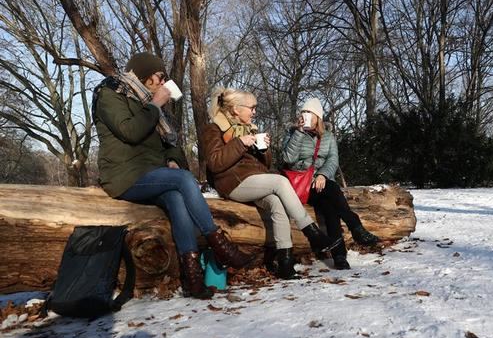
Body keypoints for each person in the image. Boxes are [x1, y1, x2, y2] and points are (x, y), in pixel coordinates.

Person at [92, 52, 253, 300]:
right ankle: (221, 247)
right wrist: (155, 104)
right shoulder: (111, 94)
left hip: (153, 173)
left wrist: (173, 159)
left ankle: (193, 279)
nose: (163, 82)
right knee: (185, 180)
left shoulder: (148, 102)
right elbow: (131, 131)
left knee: (177, 196)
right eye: (160, 76)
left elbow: (172, 142)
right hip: (124, 175)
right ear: (145, 75)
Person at [203, 88, 340, 279]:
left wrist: (264, 149)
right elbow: (215, 163)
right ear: (235, 109)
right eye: (251, 107)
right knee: (280, 181)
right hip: (232, 183)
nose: (254, 112)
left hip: (254, 180)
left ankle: (285, 262)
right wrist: (240, 143)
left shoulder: (251, 129)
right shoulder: (214, 129)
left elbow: (264, 165)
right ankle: (312, 233)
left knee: (277, 204)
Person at [282, 98, 380, 270]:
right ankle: (355, 226)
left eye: (309, 113)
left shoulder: (328, 136)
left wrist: (322, 175)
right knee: (333, 189)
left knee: (330, 208)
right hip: (300, 185)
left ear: (317, 117)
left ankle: (339, 256)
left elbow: (333, 160)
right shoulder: (292, 133)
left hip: (321, 184)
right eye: (303, 112)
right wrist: (298, 132)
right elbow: (287, 159)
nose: (304, 115)